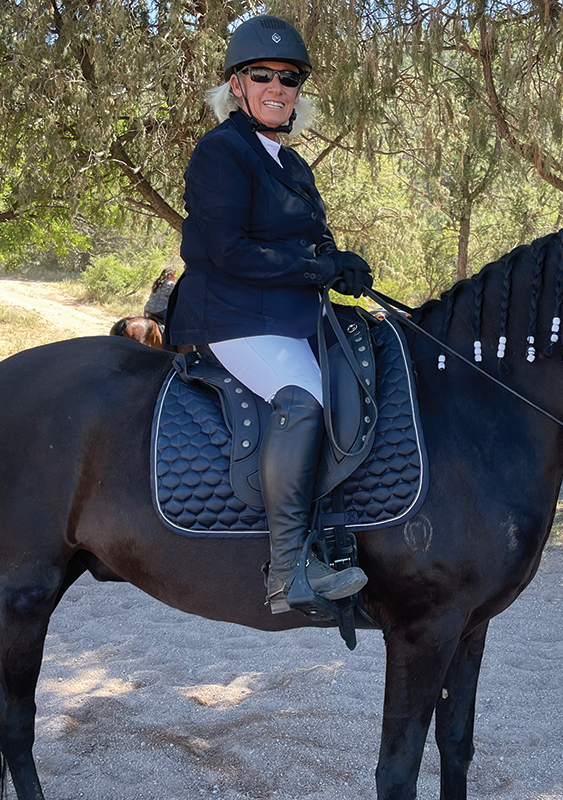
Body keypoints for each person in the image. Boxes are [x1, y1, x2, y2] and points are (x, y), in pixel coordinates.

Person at [166, 15, 372, 614]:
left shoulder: (291, 163)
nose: (278, 88)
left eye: (289, 78)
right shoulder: (220, 153)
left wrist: (341, 264)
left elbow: (315, 239)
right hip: (231, 317)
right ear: (237, 84)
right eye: (263, 76)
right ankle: (287, 568)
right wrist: (314, 271)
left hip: (288, 315)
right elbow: (227, 250)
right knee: (303, 399)